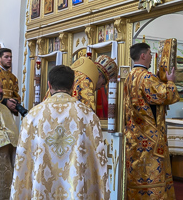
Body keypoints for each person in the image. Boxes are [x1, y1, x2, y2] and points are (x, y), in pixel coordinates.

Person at [10, 65, 110, 199]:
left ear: (49, 85)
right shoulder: (87, 115)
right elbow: (98, 162)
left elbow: (23, 160)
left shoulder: (34, 115)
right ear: (73, 85)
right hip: (75, 191)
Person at [124, 43, 180, 199]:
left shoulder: (129, 76)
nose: (151, 56)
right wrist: (170, 81)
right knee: (151, 177)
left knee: (136, 176)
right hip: (149, 139)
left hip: (132, 136)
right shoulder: (146, 77)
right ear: (143, 55)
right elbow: (166, 96)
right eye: (149, 53)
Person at [43, 55, 118, 115]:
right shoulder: (87, 83)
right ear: (99, 75)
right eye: (103, 83)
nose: (101, 87)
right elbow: (88, 119)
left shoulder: (69, 75)